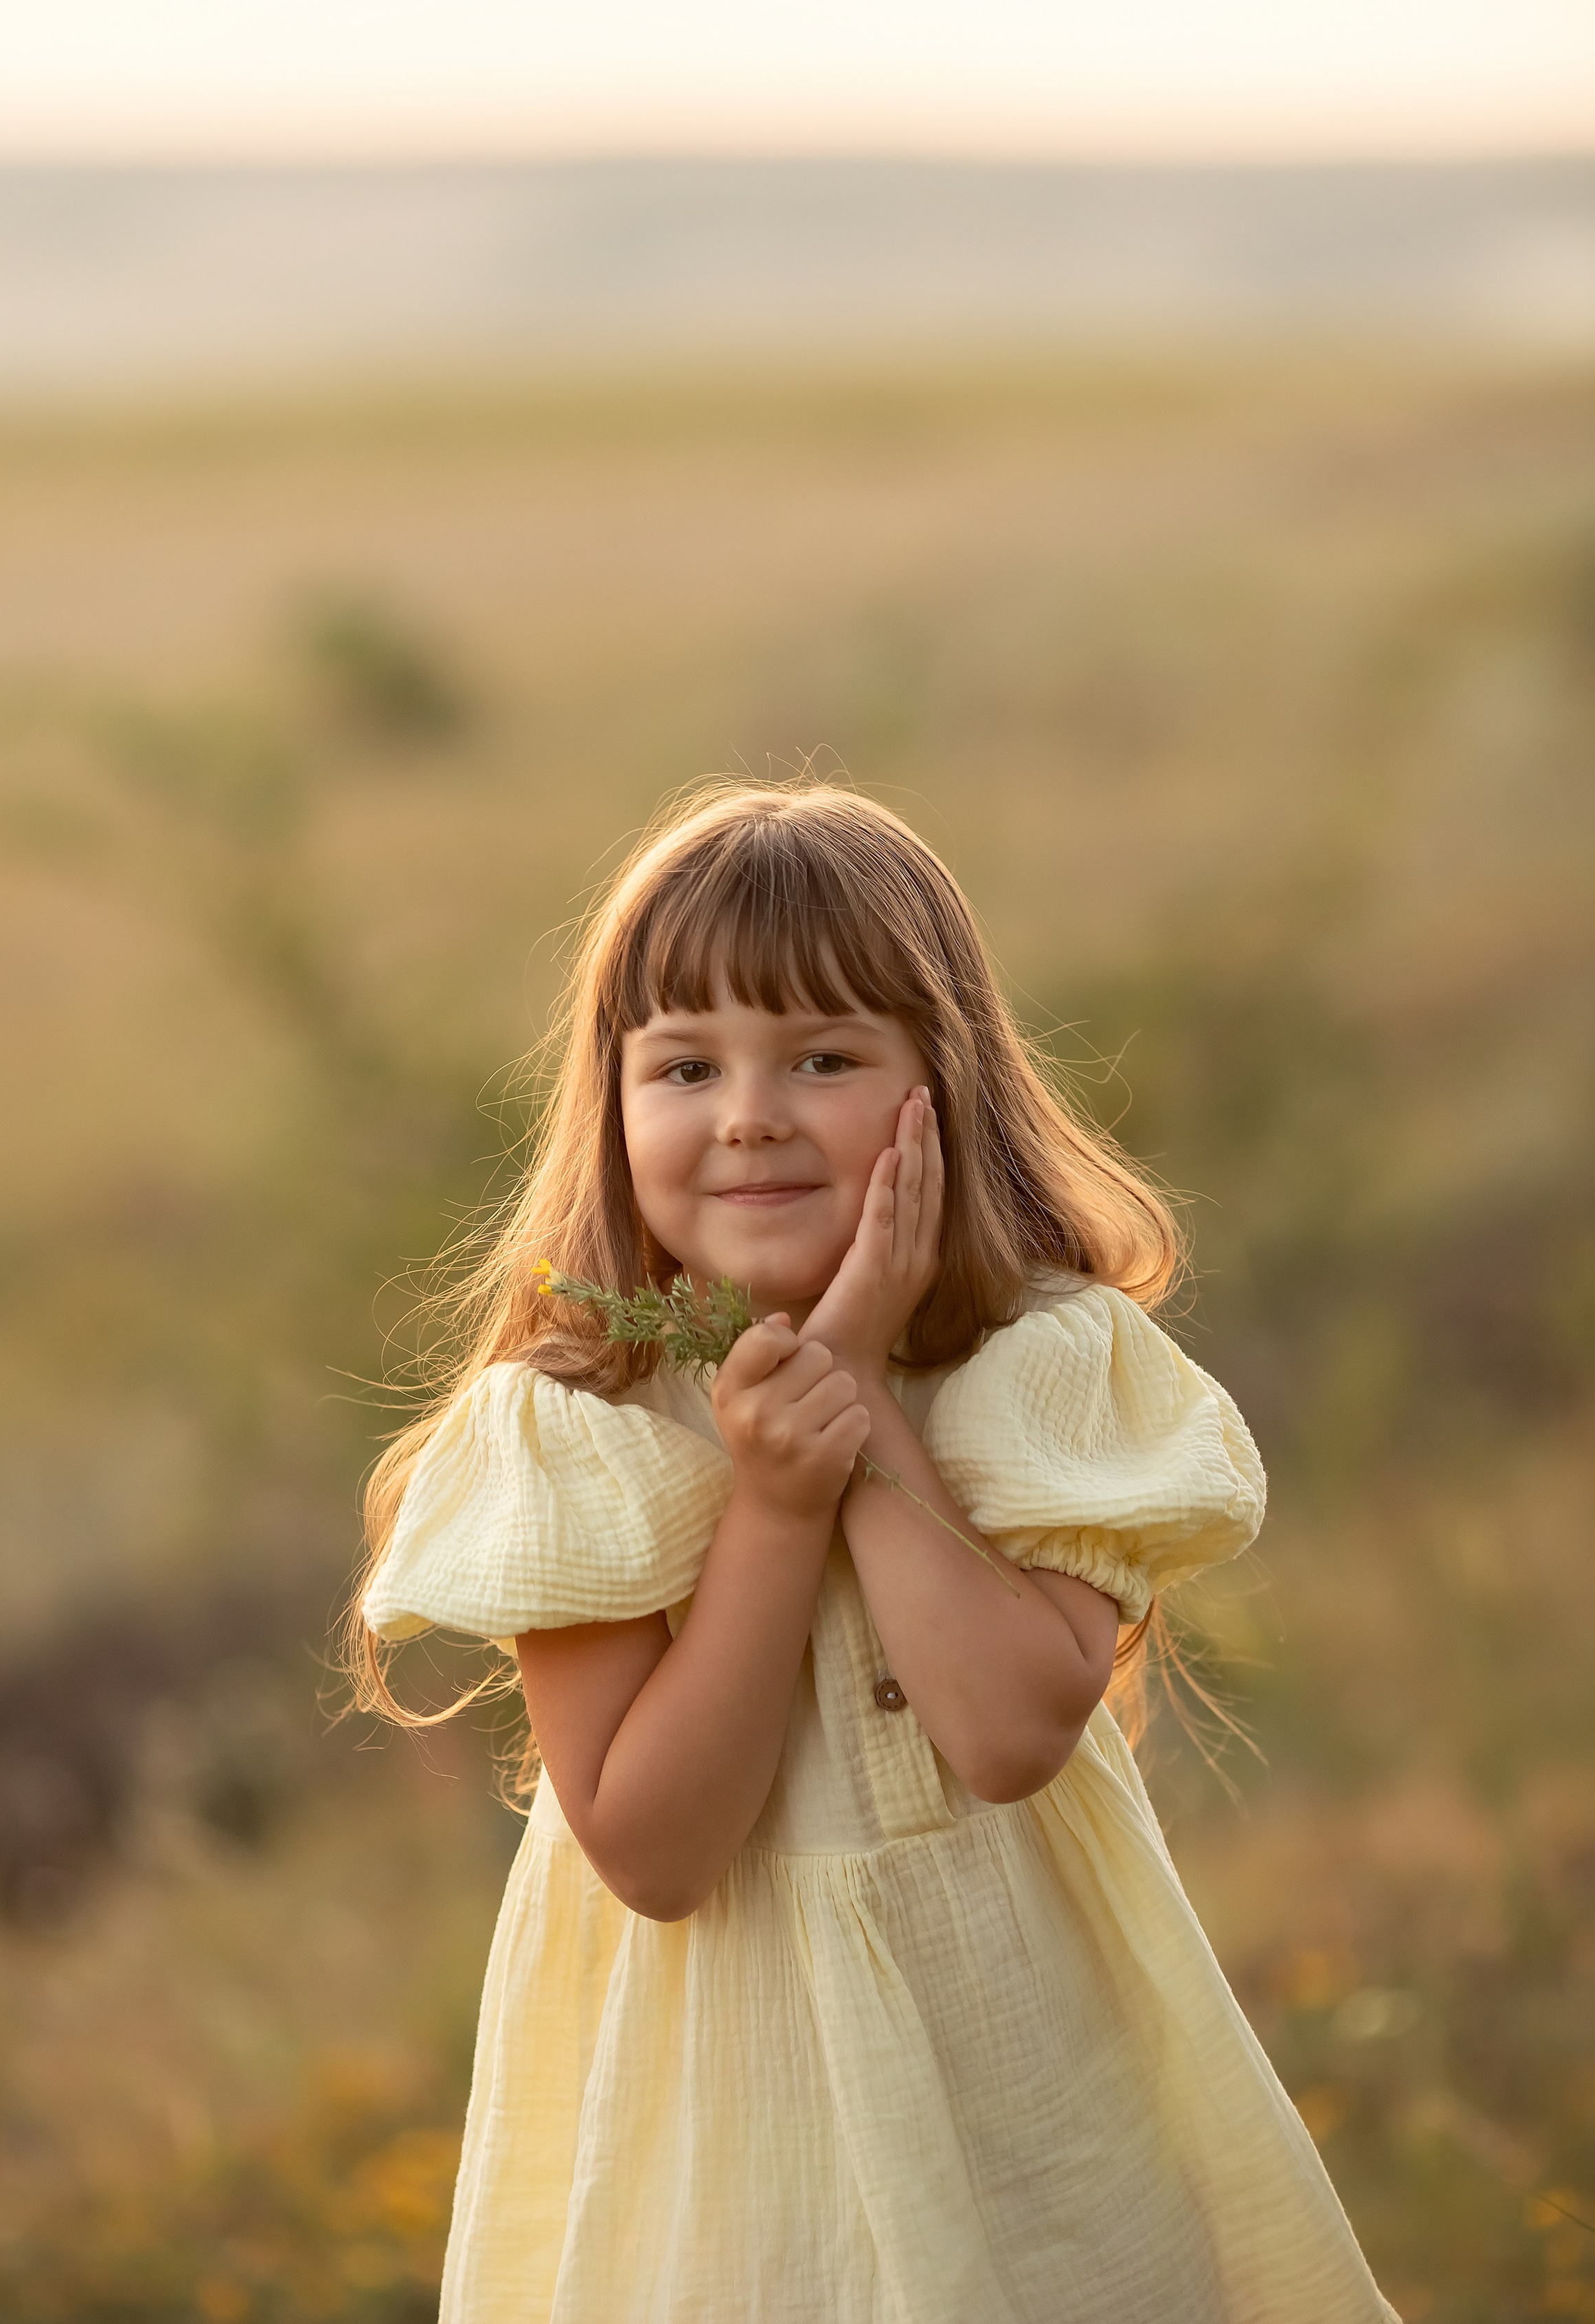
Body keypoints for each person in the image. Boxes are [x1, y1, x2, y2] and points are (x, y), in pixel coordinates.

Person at [347, 782, 1396, 2323]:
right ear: (613, 1103)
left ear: (940, 1087)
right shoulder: (579, 1422)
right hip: (721, 2132)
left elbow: (1006, 1731)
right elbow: (652, 1850)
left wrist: (855, 1396)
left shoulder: (1033, 1365)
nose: (748, 1112)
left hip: (1022, 2097)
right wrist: (769, 1508)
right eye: (684, 1065)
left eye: (821, 1059)